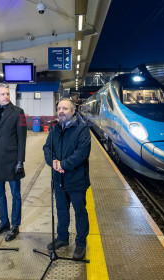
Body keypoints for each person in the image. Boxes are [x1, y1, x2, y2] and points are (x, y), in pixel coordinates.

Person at [43, 98, 91, 260]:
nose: (61, 111)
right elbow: (47, 148)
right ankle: (62, 238)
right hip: (59, 179)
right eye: (59, 108)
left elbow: (82, 153)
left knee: (80, 212)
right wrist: (54, 164)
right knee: (62, 210)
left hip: (76, 180)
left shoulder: (82, 129)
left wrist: (63, 164)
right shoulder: (55, 129)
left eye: (64, 108)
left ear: (73, 111)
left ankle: (80, 243)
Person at [0, 83, 27, 242]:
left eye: (7, 93)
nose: (6, 96)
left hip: (13, 160)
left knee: (15, 195)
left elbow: (22, 138)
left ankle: (15, 225)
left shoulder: (19, 113)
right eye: (2, 94)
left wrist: (20, 160)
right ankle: (4, 222)